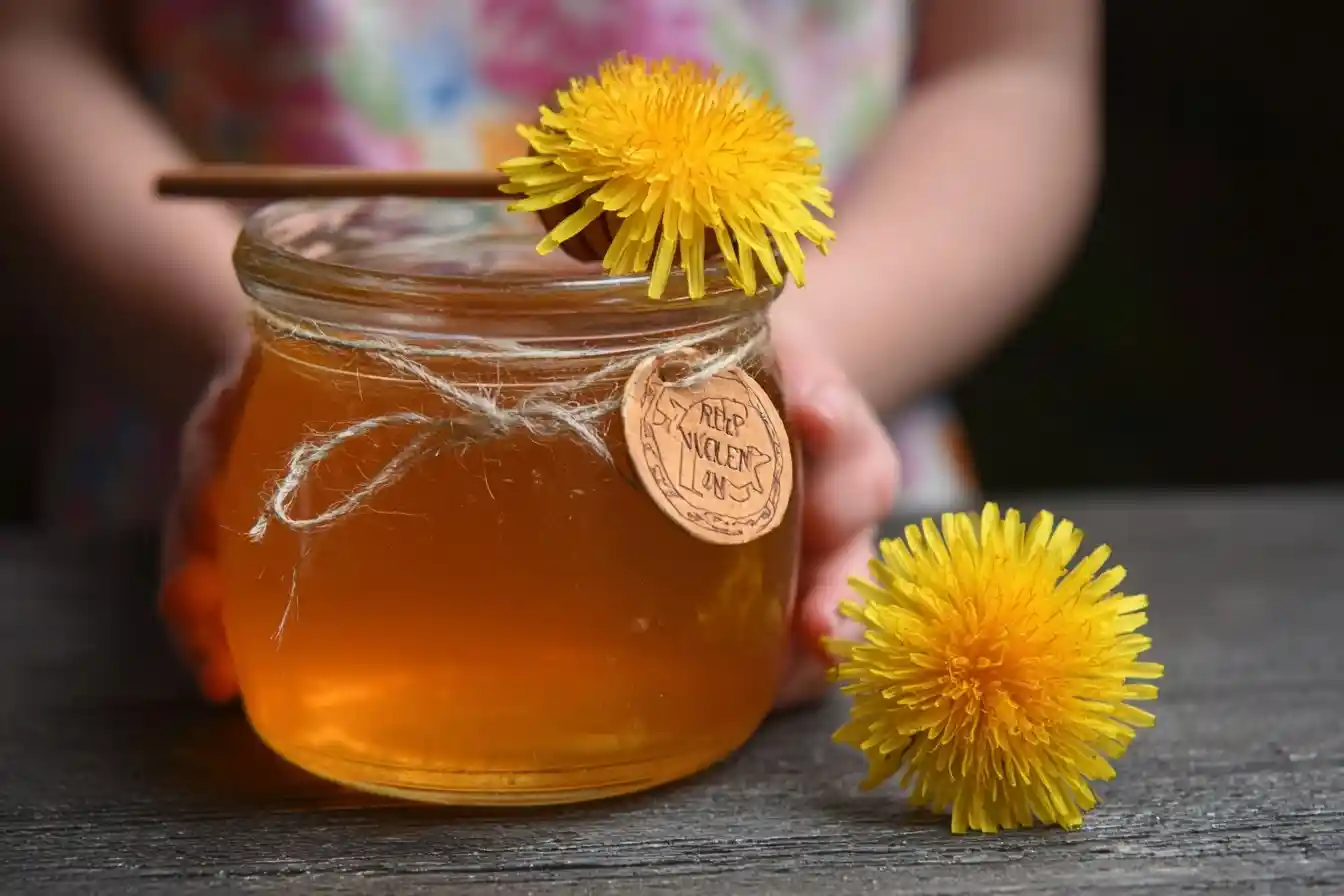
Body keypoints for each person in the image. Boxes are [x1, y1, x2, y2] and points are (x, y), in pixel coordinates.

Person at [0, 0, 1099, 707]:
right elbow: (30, 48)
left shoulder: (800, 378)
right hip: (238, 416)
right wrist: (265, 351)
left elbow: (1010, 74)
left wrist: (789, 359)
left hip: (822, 410)